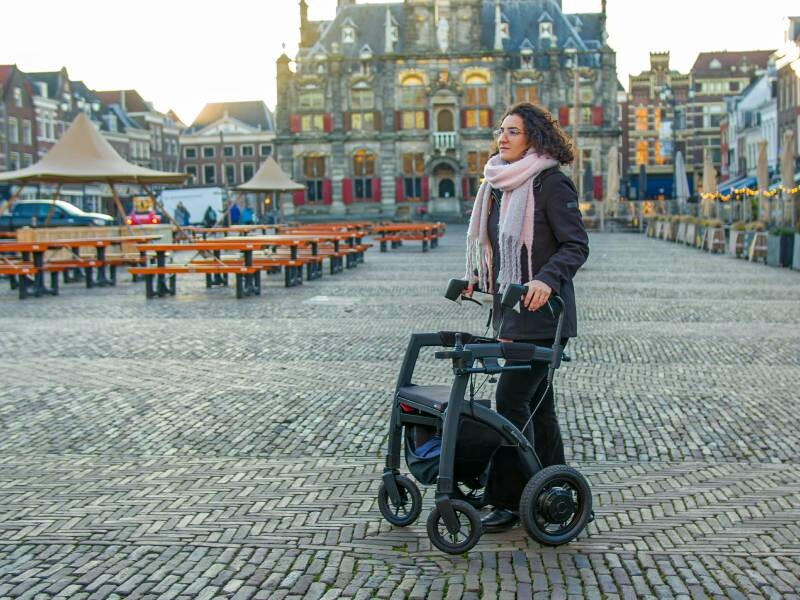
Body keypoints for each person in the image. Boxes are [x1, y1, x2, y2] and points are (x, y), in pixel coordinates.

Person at [463, 102, 589, 532]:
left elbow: (576, 245)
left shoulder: (552, 184)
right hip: (512, 315)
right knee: (538, 406)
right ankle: (555, 489)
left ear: (533, 138)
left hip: (544, 316)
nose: (502, 137)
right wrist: (478, 282)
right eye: (501, 130)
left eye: (513, 131)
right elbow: (502, 254)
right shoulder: (497, 186)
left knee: (511, 401)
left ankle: (509, 498)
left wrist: (547, 281)